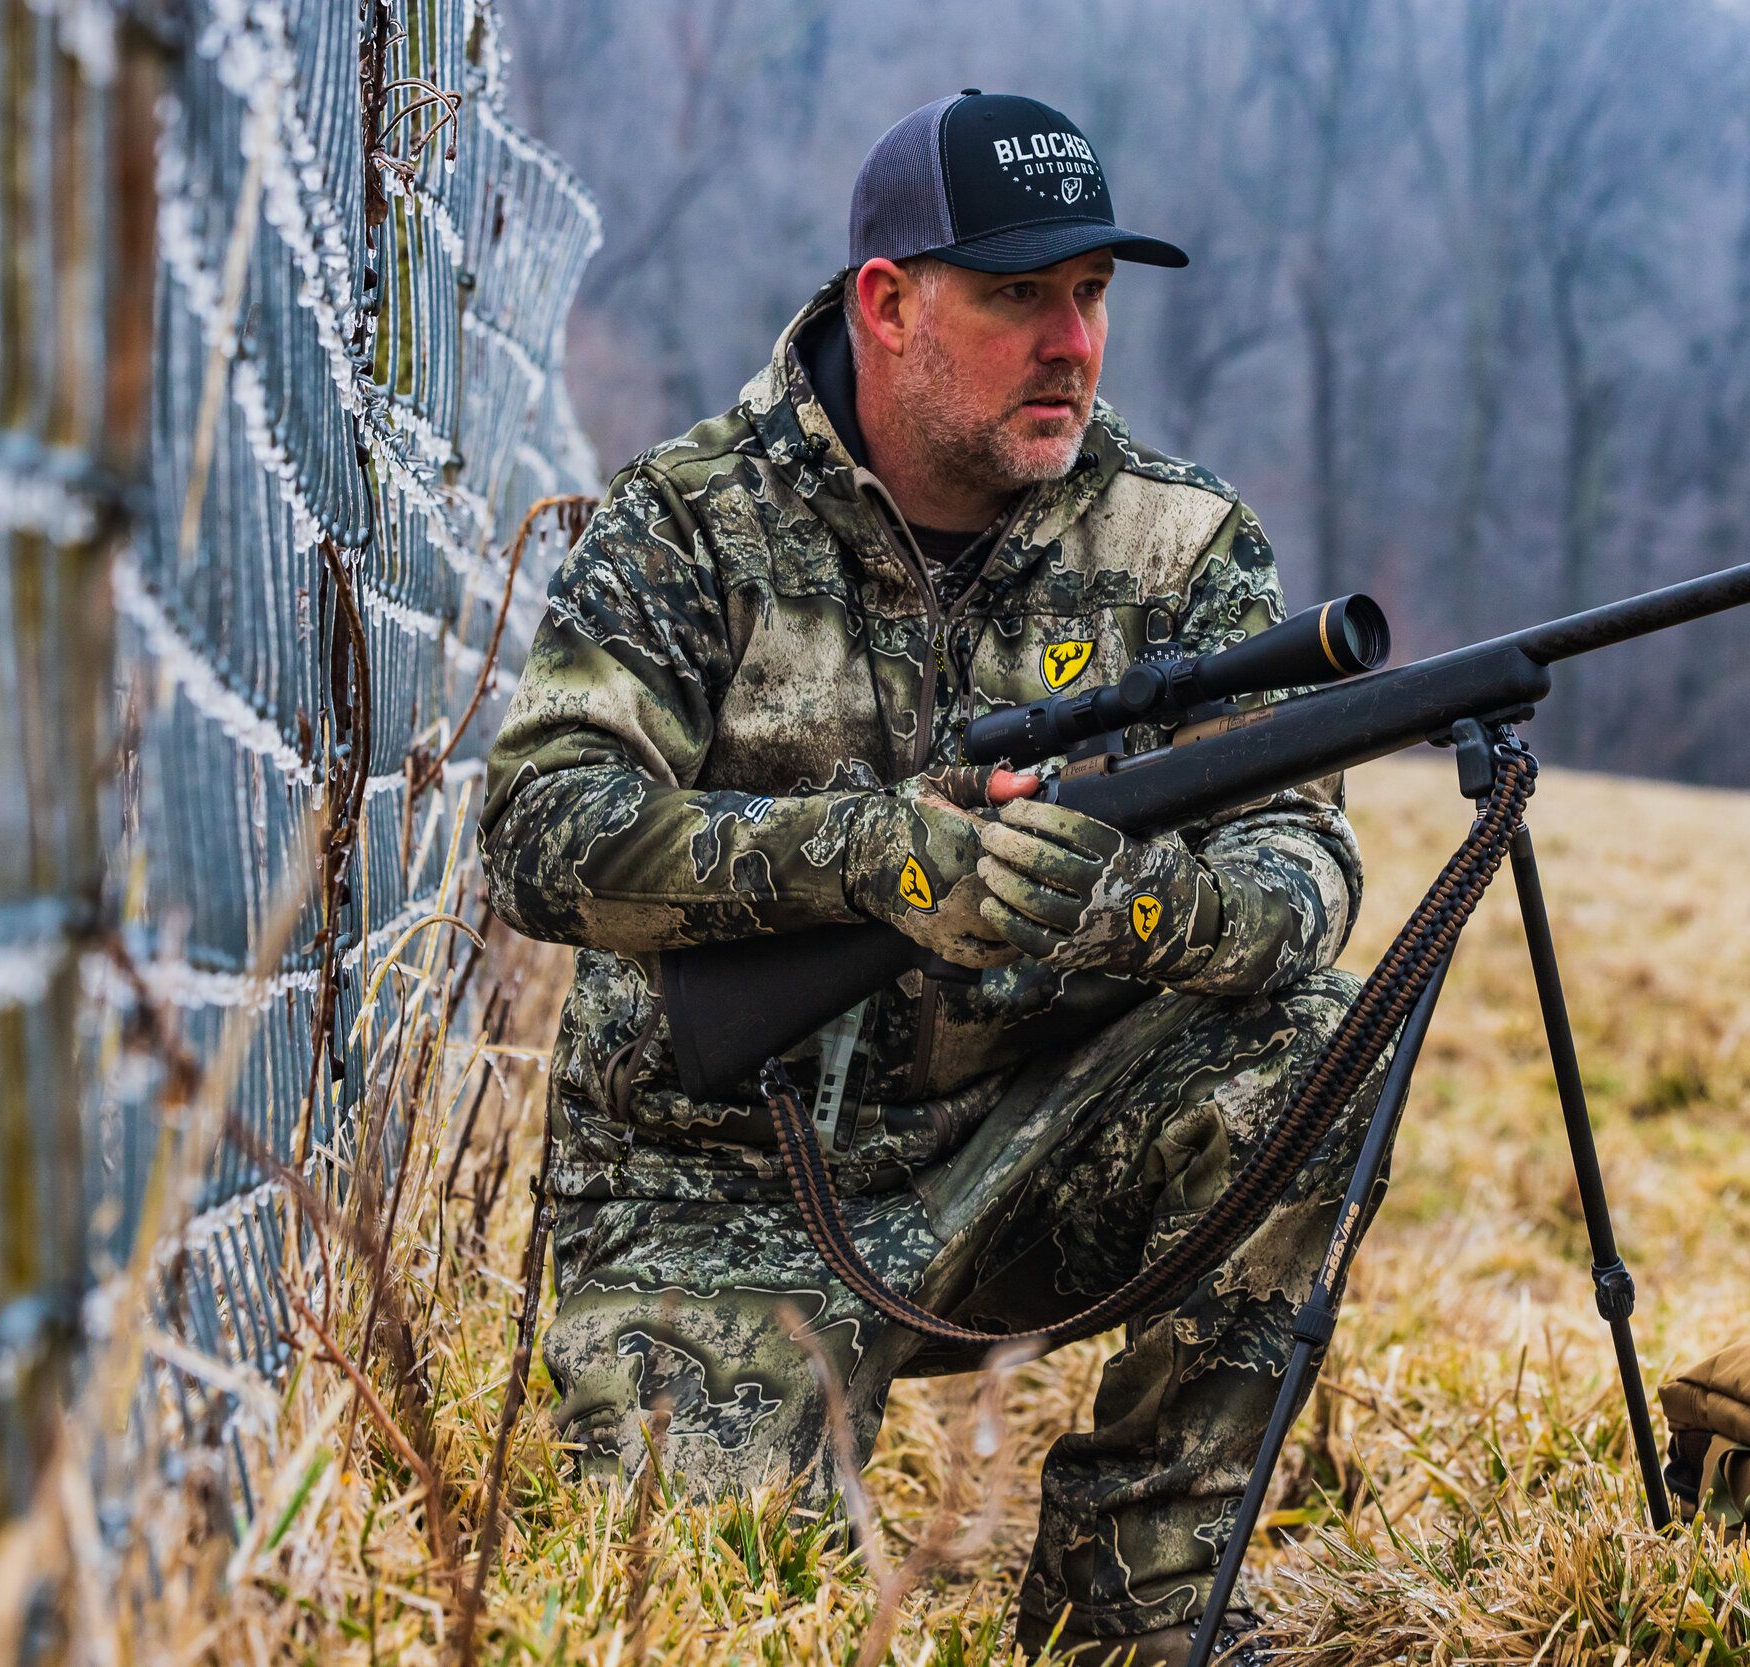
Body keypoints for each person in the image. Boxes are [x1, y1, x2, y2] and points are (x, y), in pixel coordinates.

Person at [480, 90, 1378, 1665]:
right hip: (712, 1188)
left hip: (1033, 1160)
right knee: (718, 1602)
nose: (1073, 345)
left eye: (1091, 296)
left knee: (1314, 1043)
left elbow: (1305, 871)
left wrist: (1130, 907)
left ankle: (1138, 1603)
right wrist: (872, 855)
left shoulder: (1179, 544)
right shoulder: (692, 522)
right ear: (888, 306)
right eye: (1020, 295)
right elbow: (542, 830)